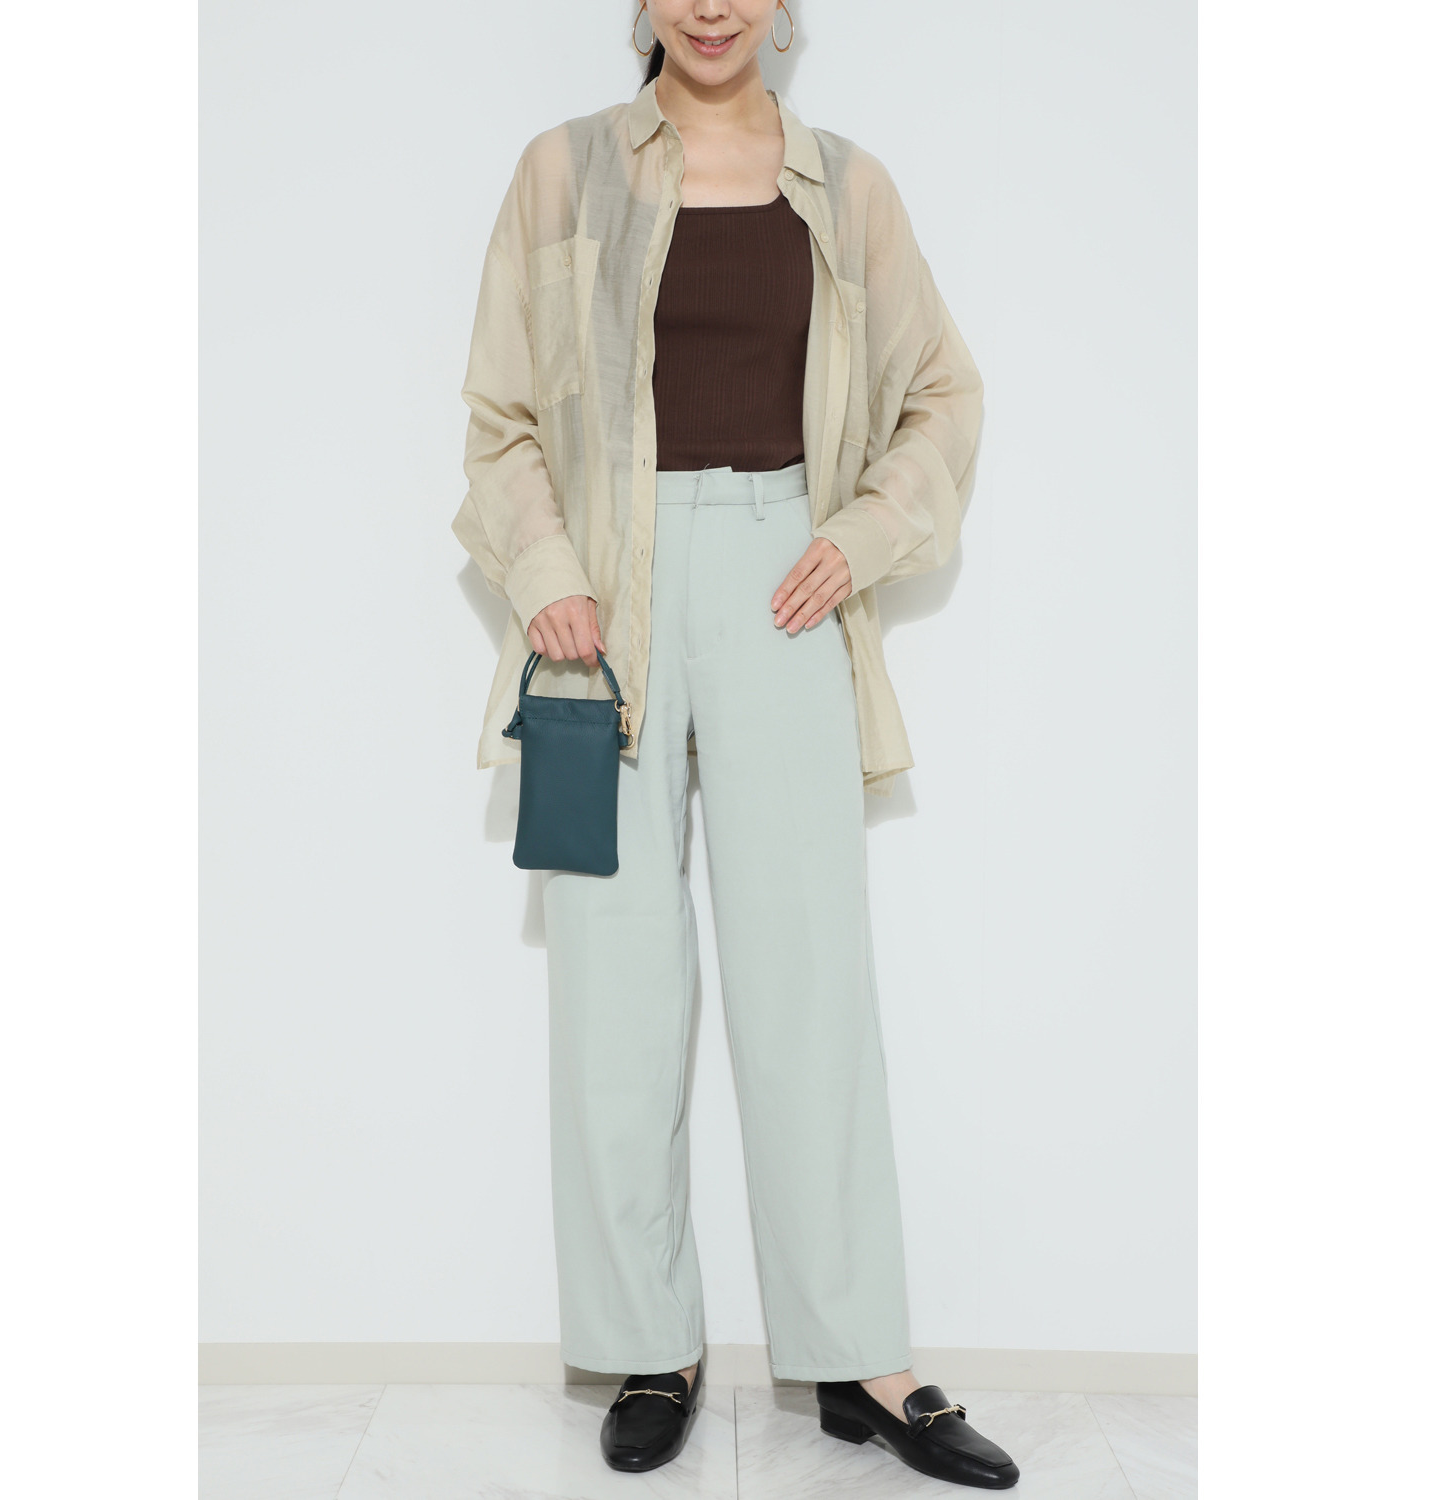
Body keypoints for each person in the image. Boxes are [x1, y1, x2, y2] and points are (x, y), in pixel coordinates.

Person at [452, 1, 1017, 1487]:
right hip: (596, 612)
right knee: (614, 994)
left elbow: (943, 397)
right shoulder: (561, 171)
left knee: (810, 984)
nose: (713, 5)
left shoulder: (849, 186)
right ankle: (654, 1344)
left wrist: (862, 533)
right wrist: (547, 571)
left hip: (782, 583)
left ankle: (862, 1361)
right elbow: (500, 415)